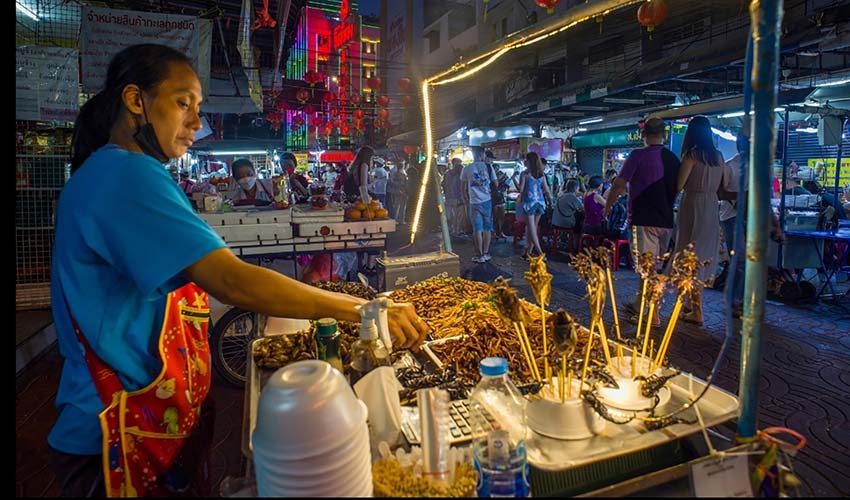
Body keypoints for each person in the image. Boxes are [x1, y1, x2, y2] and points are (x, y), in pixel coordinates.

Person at [49, 44, 428, 498]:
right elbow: (231, 280)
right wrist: (367, 309)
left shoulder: (101, 173)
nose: (196, 123)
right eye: (182, 103)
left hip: (130, 417)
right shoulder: (127, 175)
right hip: (114, 431)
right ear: (136, 100)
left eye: (199, 108)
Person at [604, 116, 680, 327]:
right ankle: (639, 304)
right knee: (654, 267)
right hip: (666, 220)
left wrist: (608, 206)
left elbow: (619, 184)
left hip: (642, 219)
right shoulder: (673, 159)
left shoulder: (638, 155)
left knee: (647, 269)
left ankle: (653, 314)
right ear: (663, 135)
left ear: (643, 135)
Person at [671, 115, 726, 325]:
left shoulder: (691, 155)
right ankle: (690, 305)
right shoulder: (719, 157)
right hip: (711, 206)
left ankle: (695, 309)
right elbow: (723, 186)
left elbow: (679, 184)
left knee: (687, 252)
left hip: (692, 204)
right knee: (701, 255)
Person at [461, 146, 498, 263]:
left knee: (477, 229)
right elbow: (496, 183)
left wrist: (466, 199)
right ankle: (485, 253)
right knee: (487, 228)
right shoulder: (488, 167)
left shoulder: (467, 168)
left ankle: (479, 255)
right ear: (482, 155)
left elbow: (463, 188)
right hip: (487, 201)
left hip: (474, 202)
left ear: (473, 154)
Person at [517, 151, 552, 258]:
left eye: (526, 160)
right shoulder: (541, 174)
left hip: (529, 203)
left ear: (529, 161)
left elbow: (521, 189)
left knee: (532, 230)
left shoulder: (525, 174)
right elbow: (546, 190)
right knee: (533, 228)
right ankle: (528, 252)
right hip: (540, 203)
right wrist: (550, 201)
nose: (524, 162)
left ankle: (540, 253)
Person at [485, 150, 508, 240]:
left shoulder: (500, 174)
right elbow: (495, 183)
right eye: (496, 168)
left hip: (500, 197)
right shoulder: (489, 174)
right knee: (493, 217)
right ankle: (493, 232)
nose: (497, 170)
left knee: (501, 217)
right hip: (492, 198)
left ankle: (500, 232)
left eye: (498, 168)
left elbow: (504, 186)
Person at [442, 158, 465, 236]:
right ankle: (457, 230)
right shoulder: (460, 175)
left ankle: (453, 229)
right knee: (460, 215)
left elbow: (444, 185)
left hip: (449, 197)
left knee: (453, 215)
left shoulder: (447, 173)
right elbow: (461, 187)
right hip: (458, 198)